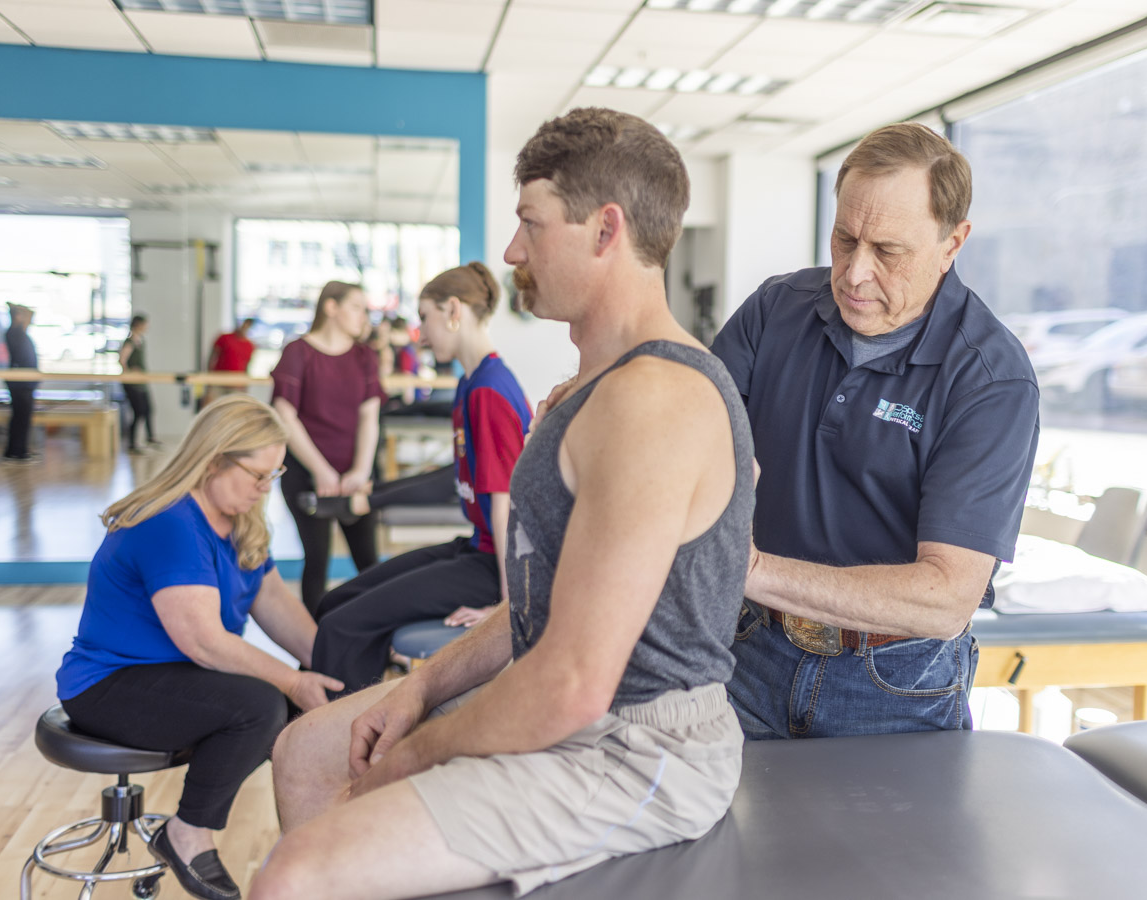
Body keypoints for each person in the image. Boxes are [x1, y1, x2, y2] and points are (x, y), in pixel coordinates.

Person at [251, 107, 755, 900]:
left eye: (531, 224)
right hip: (576, 705)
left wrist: (417, 753)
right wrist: (422, 686)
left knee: (293, 875)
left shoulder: (655, 400)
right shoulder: (588, 389)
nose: (513, 252)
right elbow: (545, 611)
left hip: (640, 748)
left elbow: (574, 682)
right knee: (307, 750)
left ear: (604, 230)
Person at [708, 122, 1041, 739]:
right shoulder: (775, 309)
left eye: (888, 251)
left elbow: (945, 597)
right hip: (751, 652)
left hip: (896, 684)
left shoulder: (991, 380)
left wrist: (746, 568)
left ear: (952, 243)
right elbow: (690, 425)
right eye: (844, 239)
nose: (855, 274)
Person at [54, 394, 343, 900]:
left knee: (292, 702)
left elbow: (275, 605)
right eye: (257, 474)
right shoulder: (170, 522)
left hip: (174, 678)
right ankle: (187, 834)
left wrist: (339, 667)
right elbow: (205, 643)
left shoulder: (240, 521)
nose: (264, 489)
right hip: (109, 685)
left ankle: (312, 853)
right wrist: (296, 680)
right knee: (261, 703)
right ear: (214, 459)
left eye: (274, 476)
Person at [311, 262, 532, 696]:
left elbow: (506, 504)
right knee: (334, 604)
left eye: (425, 318)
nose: (422, 335)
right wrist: (373, 497)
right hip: (476, 548)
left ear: (453, 310)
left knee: (341, 627)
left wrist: (506, 609)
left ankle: (339, 746)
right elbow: (460, 477)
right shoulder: (472, 384)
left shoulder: (490, 389)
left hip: (496, 566)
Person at [270, 281, 384, 615]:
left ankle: (378, 642)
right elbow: (284, 413)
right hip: (306, 476)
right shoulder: (298, 352)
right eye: (357, 307)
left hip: (356, 476)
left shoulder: (365, 356)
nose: (364, 316)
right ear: (331, 308)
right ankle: (314, 648)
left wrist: (360, 471)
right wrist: (320, 470)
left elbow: (369, 418)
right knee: (317, 559)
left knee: (369, 562)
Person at [2, 302, 38, 464]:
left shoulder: (20, 333)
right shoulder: (15, 333)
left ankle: (20, 450)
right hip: (20, 383)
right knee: (20, 417)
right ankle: (16, 452)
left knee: (23, 418)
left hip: (25, 383)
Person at [119, 314, 159, 454]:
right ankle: (132, 443)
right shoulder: (129, 342)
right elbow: (122, 360)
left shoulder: (141, 341)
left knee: (148, 410)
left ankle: (150, 438)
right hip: (132, 383)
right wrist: (129, 373)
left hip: (141, 382)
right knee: (139, 412)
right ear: (138, 325)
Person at [202, 318, 257, 410]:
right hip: (218, 379)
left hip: (236, 383)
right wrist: (209, 378)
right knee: (210, 407)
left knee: (234, 410)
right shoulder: (224, 338)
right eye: (243, 324)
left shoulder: (249, 345)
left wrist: (245, 384)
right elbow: (212, 357)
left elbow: (247, 366)